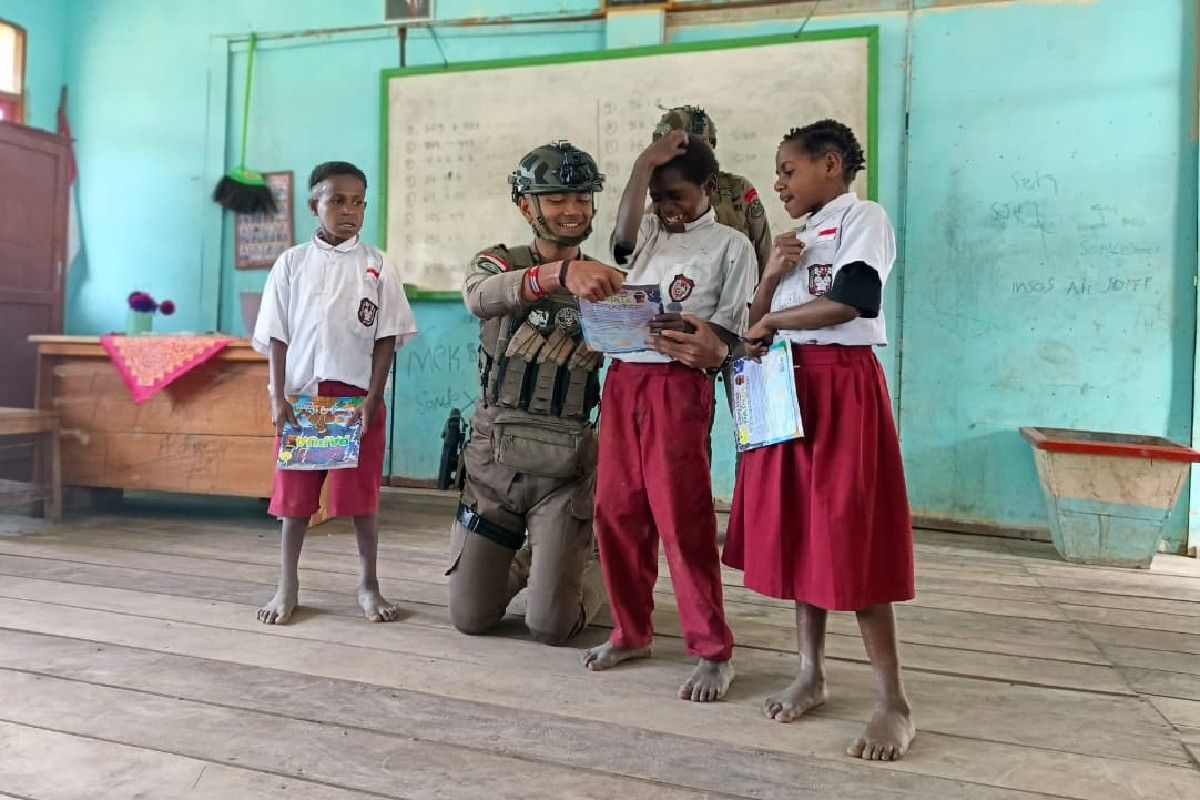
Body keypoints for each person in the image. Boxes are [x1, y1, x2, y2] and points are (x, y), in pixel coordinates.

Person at [724, 119, 917, 760]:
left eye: (788, 171)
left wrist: (776, 315)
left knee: (849, 534)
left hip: (842, 388)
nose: (779, 184)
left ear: (830, 164)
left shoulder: (865, 219)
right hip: (789, 385)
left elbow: (854, 301)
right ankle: (811, 670)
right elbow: (753, 328)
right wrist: (771, 275)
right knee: (804, 531)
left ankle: (893, 701)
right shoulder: (796, 238)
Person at [583, 130, 754, 703]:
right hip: (624, 381)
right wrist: (642, 165)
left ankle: (712, 650)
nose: (666, 207)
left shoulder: (732, 246)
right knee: (616, 511)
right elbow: (624, 234)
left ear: (708, 187)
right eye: (657, 195)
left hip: (679, 387)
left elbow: (732, 327)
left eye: (676, 195)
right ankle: (632, 631)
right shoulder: (650, 231)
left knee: (682, 518)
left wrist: (703, 338)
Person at [448, 141, 625, 645]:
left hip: (566, 470)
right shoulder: (499, 263)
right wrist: (560, 275)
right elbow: (478, 296)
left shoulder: (606, 281)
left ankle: (593, 563)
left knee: (551, 627)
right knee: (471, 618)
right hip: (493, 468)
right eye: (555, 199)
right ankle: (536, 559)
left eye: (582, 199)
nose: (572, 210)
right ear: (526, 206)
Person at [253, 160, 418, 625]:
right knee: (295, 499)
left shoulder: (378, 265)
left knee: (360, 498)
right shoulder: (291, 264)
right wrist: (277, 395)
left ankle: (368, 583)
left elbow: (387, 336)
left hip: (356, 399)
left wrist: (373, 397)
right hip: (303, 398)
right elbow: (276, 334)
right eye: (337, 200)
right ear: (314, 205)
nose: (349, 210)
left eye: (358, 201)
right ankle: (288, 583)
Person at [653, 105, 772, 276]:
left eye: (696, 146)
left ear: (712, 143)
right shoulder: (663, 200)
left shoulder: (737, 190)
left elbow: (765, 254)